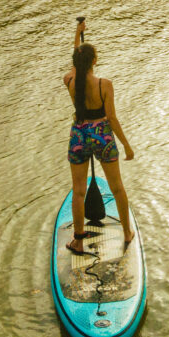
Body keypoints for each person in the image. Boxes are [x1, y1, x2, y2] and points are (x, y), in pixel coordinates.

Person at [63, 18, 135, 254]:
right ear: (95, 61)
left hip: (79, 136)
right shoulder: (105, 84)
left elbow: (76, 61)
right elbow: (112, 119)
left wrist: (77, 33)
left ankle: (79, 241)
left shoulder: (70, 82)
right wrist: (126, 145)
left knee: (79, 190)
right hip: (102, 136)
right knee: (117, 188)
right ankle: (126, 233)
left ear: (76, 63)